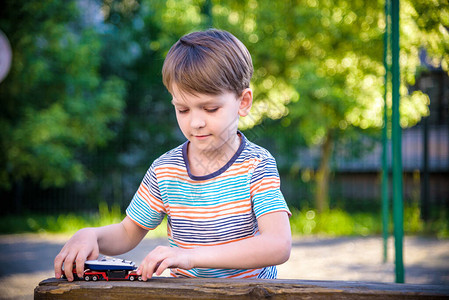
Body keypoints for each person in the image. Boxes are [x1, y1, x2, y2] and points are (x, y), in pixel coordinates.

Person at [54, 29, 291, 281]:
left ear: (243, 102)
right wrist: (92, 235)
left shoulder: (256, 165)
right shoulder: (165, 169)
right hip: (185, 293)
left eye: (210, 108)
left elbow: (278, 244)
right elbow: (127, 233)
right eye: (183, 109)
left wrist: (190, 256)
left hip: (249, 294)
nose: (196, 122)